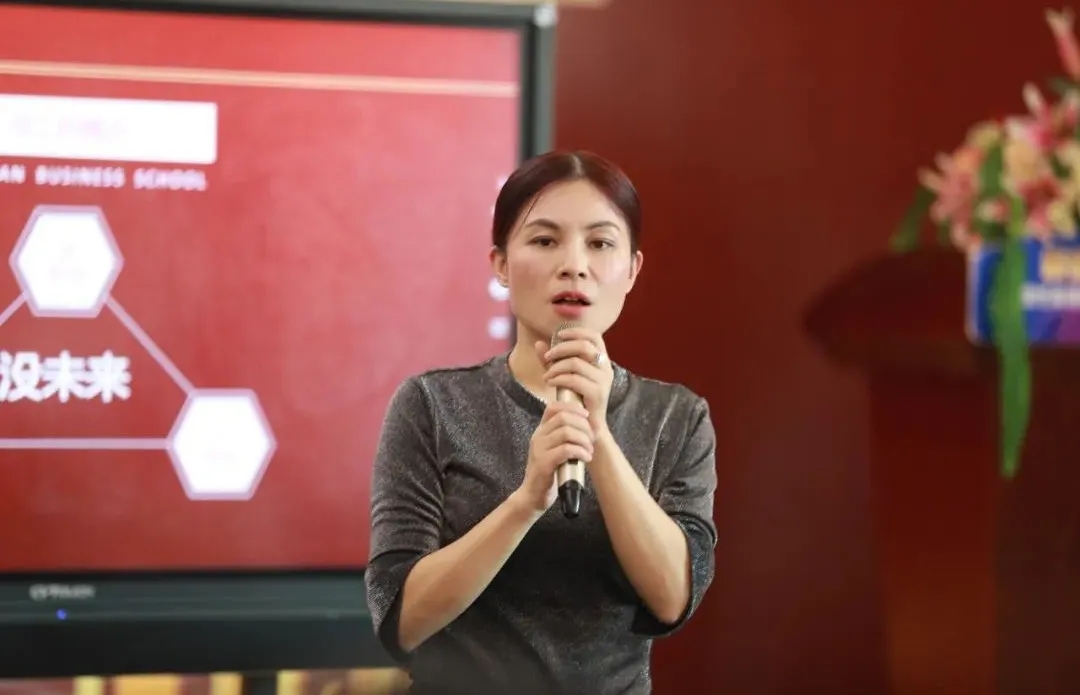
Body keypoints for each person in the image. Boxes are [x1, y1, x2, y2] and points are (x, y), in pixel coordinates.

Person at [365, 150, 717, 695]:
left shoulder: (677, 417)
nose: (574, 264)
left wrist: (599, 437)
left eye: (600, 243)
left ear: (632, 270)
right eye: (545, 240)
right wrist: (526, 501)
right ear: (501, 264)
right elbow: (401, 620)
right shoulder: (431, 405)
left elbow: (673, 598)